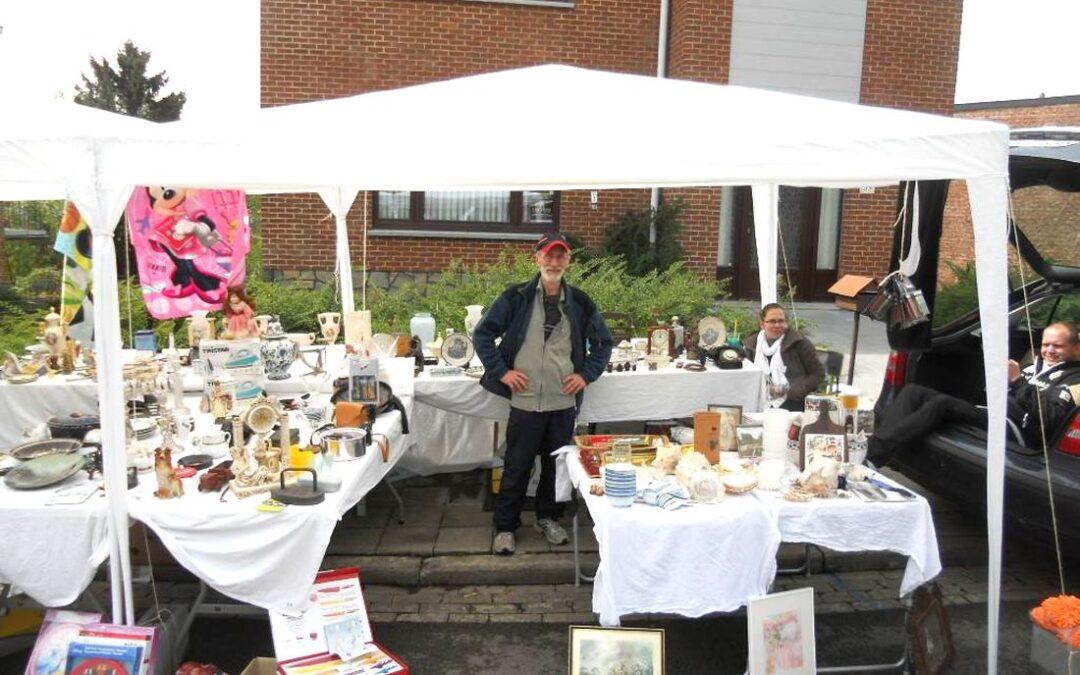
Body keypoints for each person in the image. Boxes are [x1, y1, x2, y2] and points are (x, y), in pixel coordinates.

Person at [474, 233, 613, 555]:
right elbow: (483, 334)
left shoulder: (579, 301)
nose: (554, 262)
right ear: (536, 258)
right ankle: (506, 527)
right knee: (516, 465)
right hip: (524, 400)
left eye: (560, 256)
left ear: (569, 261)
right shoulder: (517, 297)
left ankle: (548, 519)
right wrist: (502, 372)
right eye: (548, 256)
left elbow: (604, 342)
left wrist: (587, 374)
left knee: (556, 467)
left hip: (562, 401)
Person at [868, 321, 1080, 463]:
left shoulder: (1074, 379)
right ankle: (881, 449)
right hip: (996, 415)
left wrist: (1017, 382)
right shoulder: (1033, 367)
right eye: (1045, 345)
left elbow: (1051, 416)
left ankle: (872, 454)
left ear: (1076, 349)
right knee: (913, 392)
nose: (1049, 351)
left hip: (1018, 431)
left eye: (1058, 346)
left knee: (941, 404)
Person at [742, 303, 824, 411]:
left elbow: (817, 374)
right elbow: (746, 373)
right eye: (772, 321)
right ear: (762, 324)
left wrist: (794, 392)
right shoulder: (751, 344)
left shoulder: (799, 342)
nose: (777, 325)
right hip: (758, 398)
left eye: (781, 321)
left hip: (792, 401)